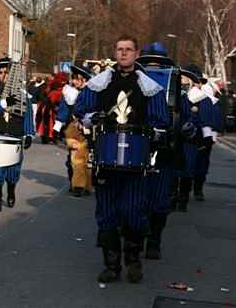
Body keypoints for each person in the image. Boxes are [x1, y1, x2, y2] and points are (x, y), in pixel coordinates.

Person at [75, 35, 169, 284]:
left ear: (137, 53)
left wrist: (153, 131)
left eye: (128, 50)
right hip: (105, 158)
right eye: (119, 49)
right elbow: (81, 109)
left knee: (133, 211)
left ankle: (134, 260)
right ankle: (112, 265)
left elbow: (161, 120)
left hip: (137, 161)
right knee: (106, 212)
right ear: (115, 52)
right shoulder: (100, 82)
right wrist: (91, 118)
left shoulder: (150, 86)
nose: (123, 53)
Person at [136, 41, 180, 260]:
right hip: (138, 146)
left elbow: (179, 115)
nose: (154, 68)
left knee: (159, 201)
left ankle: (154, 241)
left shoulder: (173, 84)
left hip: (162, 152)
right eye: (149, 63)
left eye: (157, 63)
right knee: (136, 198)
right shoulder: (134, 82)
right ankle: (137, 239)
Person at [0, 57, 34, 211]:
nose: (3, 75)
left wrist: (28, 134)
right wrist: (4, 103)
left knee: (13, 170)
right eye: (0, 72)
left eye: (6, 72)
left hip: (14, 136)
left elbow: (27, 115)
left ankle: (11, 190)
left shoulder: (22, 94)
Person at [173, 64, 215, 212]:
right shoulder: (175, 95)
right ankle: (171, 196)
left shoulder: (202, 98)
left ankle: (183, 197)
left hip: (190, 140)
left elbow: (205, 120)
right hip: (173, 138)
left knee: (187, 168)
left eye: (186, 78)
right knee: (171, 169)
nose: (183, 81)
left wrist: (206, 137)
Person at [53, 65, 93, 196]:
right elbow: (63, 110)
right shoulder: (69, 93)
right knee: (75, 159)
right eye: (73, 78)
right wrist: (57, 127)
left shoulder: (91, 92)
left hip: (89, 129)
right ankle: (77, 185)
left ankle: (86, 185)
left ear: (83, 79)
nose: (74, 81)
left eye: (77, 79)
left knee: (87, 160)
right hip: (73, 129)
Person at [193, 79, 223, 201]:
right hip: (201, 137)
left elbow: (214, 123)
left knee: (200, 164)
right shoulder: (208, 102)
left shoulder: (211, 103)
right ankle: (196, 190)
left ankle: (196, 189)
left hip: (204, 137)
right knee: (199, 163)